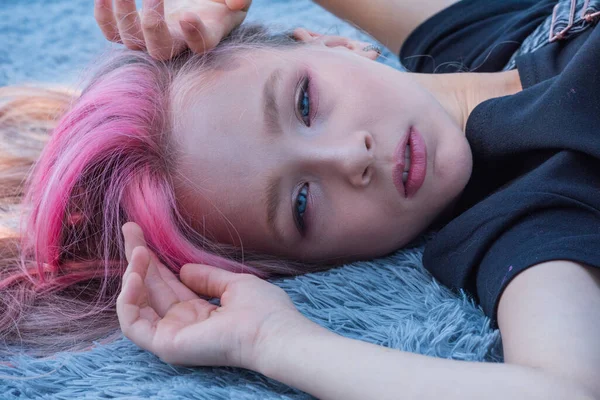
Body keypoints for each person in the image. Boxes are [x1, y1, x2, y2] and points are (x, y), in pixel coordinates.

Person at [0, 0, 599, 398]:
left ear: (328, 42)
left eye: (305, 104)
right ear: (322, 264)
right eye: (302, 206)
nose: (350, 158)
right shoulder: (527, 218)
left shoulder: (473, 30)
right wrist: (274, 343)